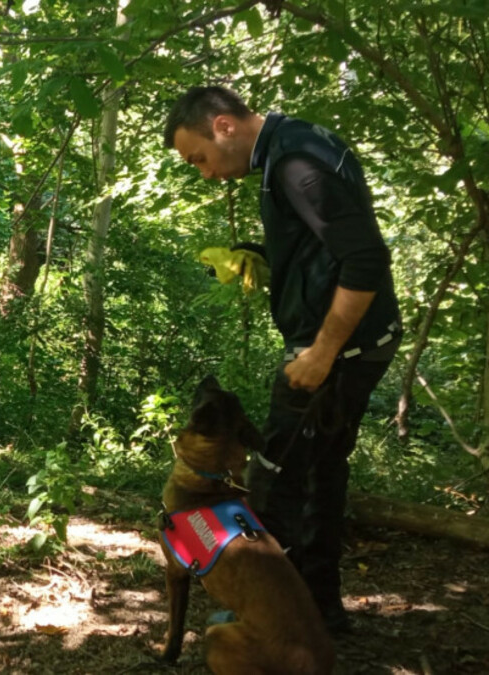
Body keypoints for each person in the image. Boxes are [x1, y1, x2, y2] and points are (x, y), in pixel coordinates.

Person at [163, 86, 401, 635]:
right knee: (322, 470)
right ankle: (320, 609)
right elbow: (323, 245)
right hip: (355, 340)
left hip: (338, 349)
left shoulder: (295, 163)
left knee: (275, 477)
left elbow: (363, 258)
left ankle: (271, 620)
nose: (205, 174)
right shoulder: (296, 142)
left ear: (223, 126)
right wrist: (261, 254)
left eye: (198, 158)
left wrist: (322, 353)